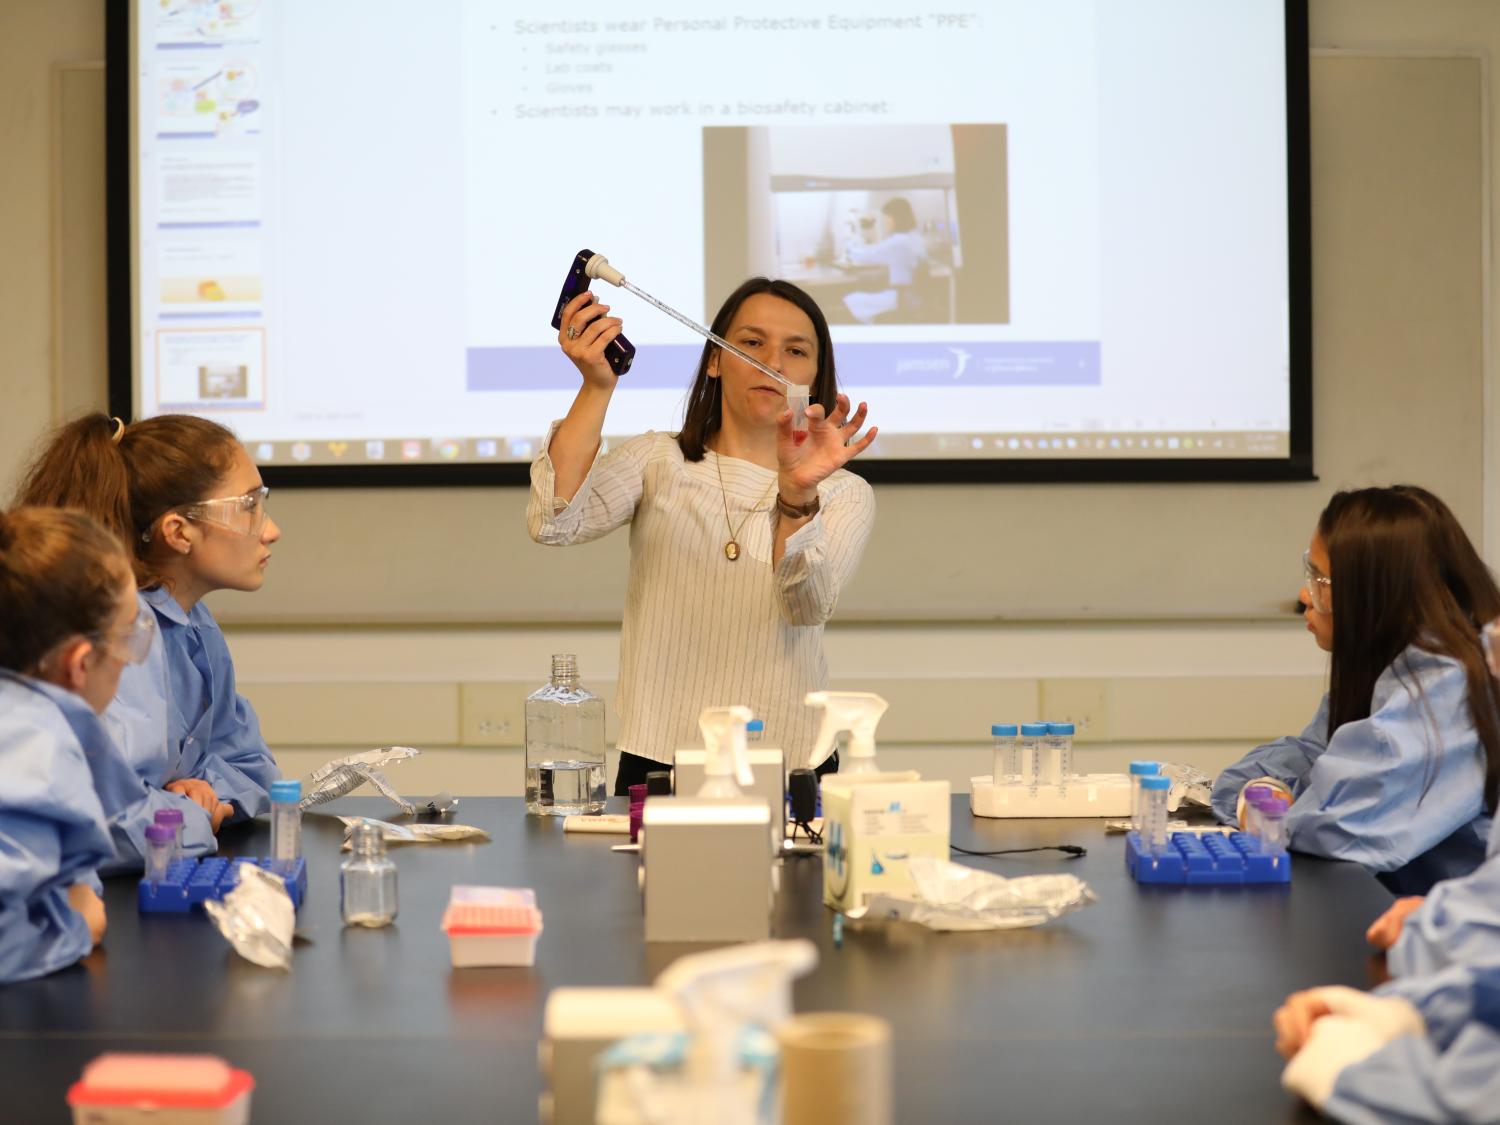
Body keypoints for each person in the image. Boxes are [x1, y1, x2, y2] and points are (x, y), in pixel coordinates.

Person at [528, 277, 877, 793]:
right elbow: (553, 522)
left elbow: (805, 607)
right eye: (752, 343)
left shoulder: (843, 492)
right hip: (659, 757)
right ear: (714, 360)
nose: (774, 363)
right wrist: (597, 385)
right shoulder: (658, 459)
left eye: (796, 350)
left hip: (790, 764)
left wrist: (797, 494)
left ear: (816, 377)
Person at [15, 414, 282, 869]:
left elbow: (253, 766)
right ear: (178, 532)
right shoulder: (118, 636)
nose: (270, 528)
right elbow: (107, 822)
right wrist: (194, 812)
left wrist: (203, 792)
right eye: (248, 507)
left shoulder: (194, 621)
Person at [1211, 487, 1498, 895]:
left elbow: (1332, 831)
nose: (1304, 595)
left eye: (1320, 580)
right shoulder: (1392, 670)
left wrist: (1265, 809)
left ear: (1378, 592)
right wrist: (1262, 793)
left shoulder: (1445, 691)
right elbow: (1305, 755)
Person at [0, 508, 155, 981]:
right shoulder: (36, 746)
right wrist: (75, 928)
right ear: (80, 663)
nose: (131, 659)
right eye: (129, 636)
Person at [840, 197, 928, 324]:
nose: (886, 222)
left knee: (850, 300)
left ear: (896, 218)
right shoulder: (917, 238)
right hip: (914, 297)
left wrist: (848, 245)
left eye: (887, 217)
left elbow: (866, 256)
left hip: (900, 298)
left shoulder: (898, 242)